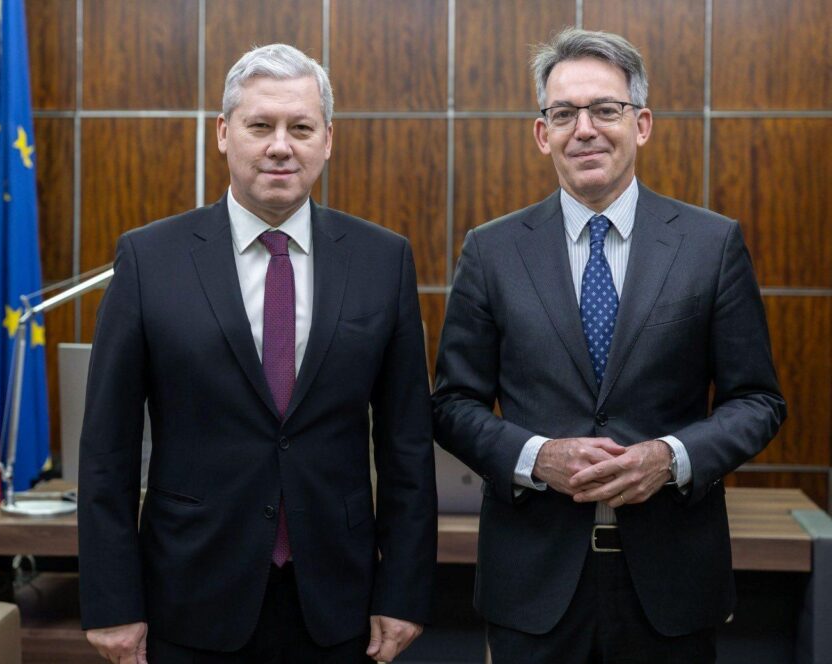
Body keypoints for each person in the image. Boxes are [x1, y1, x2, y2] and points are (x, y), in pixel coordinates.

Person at [432, 28, 785, 663]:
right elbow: (452, 404)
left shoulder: (711, 245)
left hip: (672, 586)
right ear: (542, 134)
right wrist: (536, 457)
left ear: (641, 124)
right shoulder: (491, 251)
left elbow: (758, 401)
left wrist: (670, 458)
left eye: (605, 109)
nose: (584, 129)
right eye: (563, 113)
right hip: (533, 588)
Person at [78, 43, 436, 664]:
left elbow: (406, 444)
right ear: (223, 133)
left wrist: (404, 590)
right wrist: (112, 602)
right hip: (189, 593)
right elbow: (107, 449)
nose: (280, 146)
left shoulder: (383, 260)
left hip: (338, 599)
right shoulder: (149, 260)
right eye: (260, 125)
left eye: (301, 128)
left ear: (328, 139)